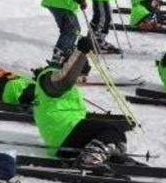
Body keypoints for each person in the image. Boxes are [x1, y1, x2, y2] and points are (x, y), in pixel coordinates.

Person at [32, 36, 129, 170]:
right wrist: (81, 52)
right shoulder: (49, 77)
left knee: (117, 133)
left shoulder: (57, 81)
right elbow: (65, 80)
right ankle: (91, 157)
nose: (82, 80)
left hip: (67, 134)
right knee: (111, 129)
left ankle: (107, 152)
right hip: (63, 135)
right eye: (81, 75)